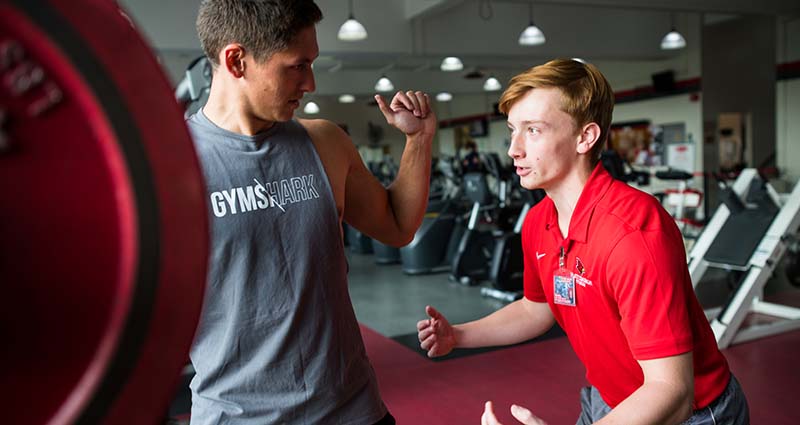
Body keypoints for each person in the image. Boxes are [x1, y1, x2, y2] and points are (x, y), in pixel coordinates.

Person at [417, 58, 749, 425]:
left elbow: (672, 392)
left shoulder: (633, 232)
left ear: (585, 137)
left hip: (690, 413)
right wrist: (458, 336)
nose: (514, 149)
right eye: (513, 130)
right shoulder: (540, 220)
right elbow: (535, 308)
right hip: (607, 400)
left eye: (533, 130)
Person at [188, 1, 436, 424]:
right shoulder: (173, 167)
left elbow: (397, 227)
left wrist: (419, 141)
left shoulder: (325, 143)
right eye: (297, 66)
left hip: (353, 410)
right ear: (236, 60)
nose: (311, 83)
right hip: (236, 416)